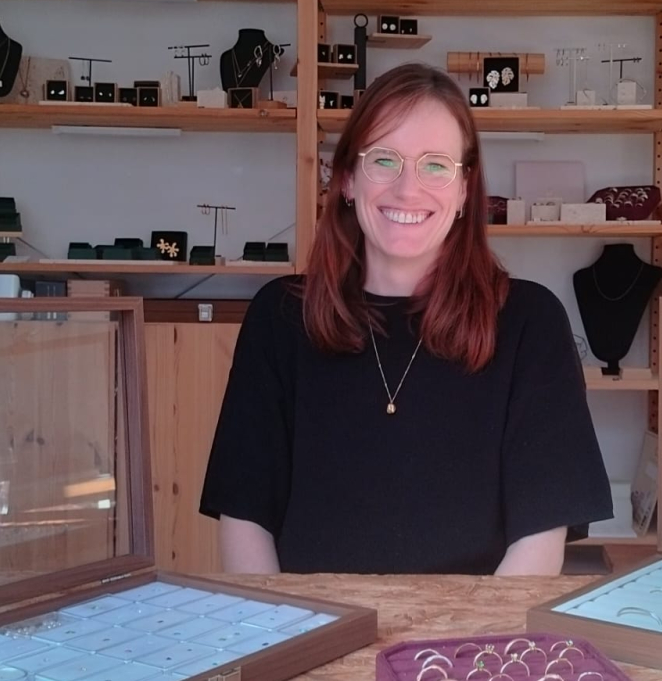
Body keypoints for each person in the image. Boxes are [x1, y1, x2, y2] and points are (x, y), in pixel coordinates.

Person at [199, 63, 612, 576]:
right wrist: (283, 624)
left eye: (435, 165)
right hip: (308, 619)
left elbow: (540, 539)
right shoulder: (279, 317)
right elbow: (245, 517)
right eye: (384, 160)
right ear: (346, 179)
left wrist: (467, 633)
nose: (407, 189)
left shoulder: (531, 323)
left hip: (474, 627)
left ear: (464, 190)